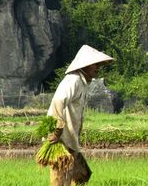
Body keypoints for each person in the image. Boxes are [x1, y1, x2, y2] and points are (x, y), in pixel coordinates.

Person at [47, 45, 113, 186]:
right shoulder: (73, 80)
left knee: (81, 175)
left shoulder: (83, 83)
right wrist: (57, 127)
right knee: (61, 177)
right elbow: (58, 100)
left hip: (70, 138)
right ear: (86, 65)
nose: (98, 68)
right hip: (61, 138)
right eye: (95, 64)